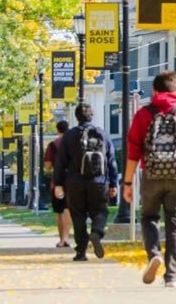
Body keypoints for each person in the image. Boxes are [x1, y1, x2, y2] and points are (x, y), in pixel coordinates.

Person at [123, 71, 176, 288]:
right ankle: (171, 276)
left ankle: (154, 254)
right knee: (175, 224)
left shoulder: (143, 115)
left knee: (149, 218)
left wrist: (128, 182)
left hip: (151, 174)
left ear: (154, 91)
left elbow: (133, 151)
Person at [53, 103, 119, 261]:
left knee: (78, 215)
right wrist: (113, 183)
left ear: (76, 117)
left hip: (75, 182)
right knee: (100, 211)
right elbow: (111, 161)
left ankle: (81, 251)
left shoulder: (69, 136)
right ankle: (96, 232)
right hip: (99, 181)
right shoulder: (102, 134)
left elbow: (60, 162)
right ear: (91, 116)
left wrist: (58, 183)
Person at [44, 121, 73, 247]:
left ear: (57, 130)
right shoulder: (74, 143)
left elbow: (48, 166)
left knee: (60, 211)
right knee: (68, 209)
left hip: (57, 182)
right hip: (72, 181)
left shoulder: (53, 145)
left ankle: (61, 239)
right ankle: (66, 237)